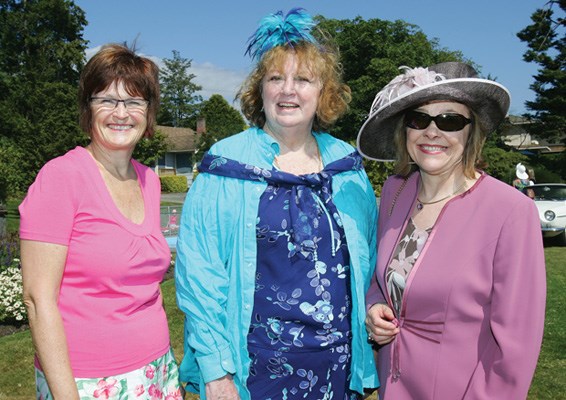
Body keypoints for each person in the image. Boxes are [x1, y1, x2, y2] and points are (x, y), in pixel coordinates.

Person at [175, 8, 379, 400]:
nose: (288, 90)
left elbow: (367, 260)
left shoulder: (348, 168)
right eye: (275, 78)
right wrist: (217, 372)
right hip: (254, 369)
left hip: (336, 368)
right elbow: (200, 278)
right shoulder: (226, 164)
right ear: (260, 89)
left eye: (303, 79)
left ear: (323, 92)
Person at [357, 62, 546, 399]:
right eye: (419, 119)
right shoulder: (394, 192)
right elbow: (378, 276)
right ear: (406, 130)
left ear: (471, 131)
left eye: (450, 120)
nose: (432, 132)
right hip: (392, 386)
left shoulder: (511, 211)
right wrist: (374, 307)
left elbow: (516, 346)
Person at [19, 44, 182, 399]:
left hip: (156, 369)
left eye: (134, 102)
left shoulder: (148, 181)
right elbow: (37, 299)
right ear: (88, 108)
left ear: (148, 113)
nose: (120, 113)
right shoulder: (61, 177)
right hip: (86, 382)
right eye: (106, 100)